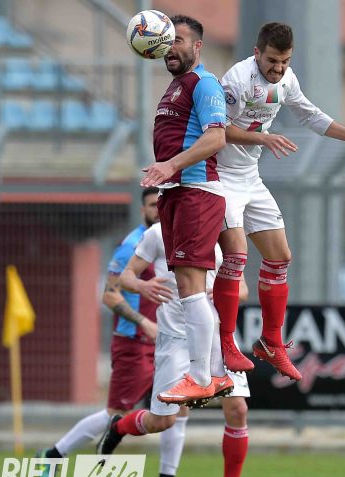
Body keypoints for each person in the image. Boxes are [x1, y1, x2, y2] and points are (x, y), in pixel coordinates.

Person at [213, 22, 345, 381]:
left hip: (250, 177)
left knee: (280, 257)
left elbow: (309, 114)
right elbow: (218, 130)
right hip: (222, 177)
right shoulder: (237, 80)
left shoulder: (287, 80)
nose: (278, 69)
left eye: (285, 61)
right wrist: (264, 139)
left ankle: (270, 342)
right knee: (237, 256)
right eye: (272, 61)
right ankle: (226, 341)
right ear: (257, 53)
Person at [36, 188, 197, 477]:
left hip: (167, 341)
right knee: (115, 413)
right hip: (135, 341)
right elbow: (109, 295)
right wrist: (144, 323)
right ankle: (52, 456)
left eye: (162, 205)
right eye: (152, 205)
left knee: (179, 408)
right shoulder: (133, 246)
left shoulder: (170, 241)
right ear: (142, 210)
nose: (158, 210)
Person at [97, 221, 258, 477]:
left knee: (238, 409)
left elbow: (243, 289)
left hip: (218, 336)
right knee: (163, 420)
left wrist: (227, 292)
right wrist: (143, 285)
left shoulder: (222, 232)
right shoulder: (159, 233)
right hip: (176, 339)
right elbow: (126, 277)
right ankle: (119, 427)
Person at [139, 14, 229, 405]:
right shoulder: (175, 87)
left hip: (197, 191)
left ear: (197, 46)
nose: (170, 47)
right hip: (176, 193)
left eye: (178, 40)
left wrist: (171, 165)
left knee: (192, 290)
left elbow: (217, 138)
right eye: (166, 40)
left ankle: (201, 376)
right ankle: (216, 374)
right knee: (189, 290)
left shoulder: (203, 83)